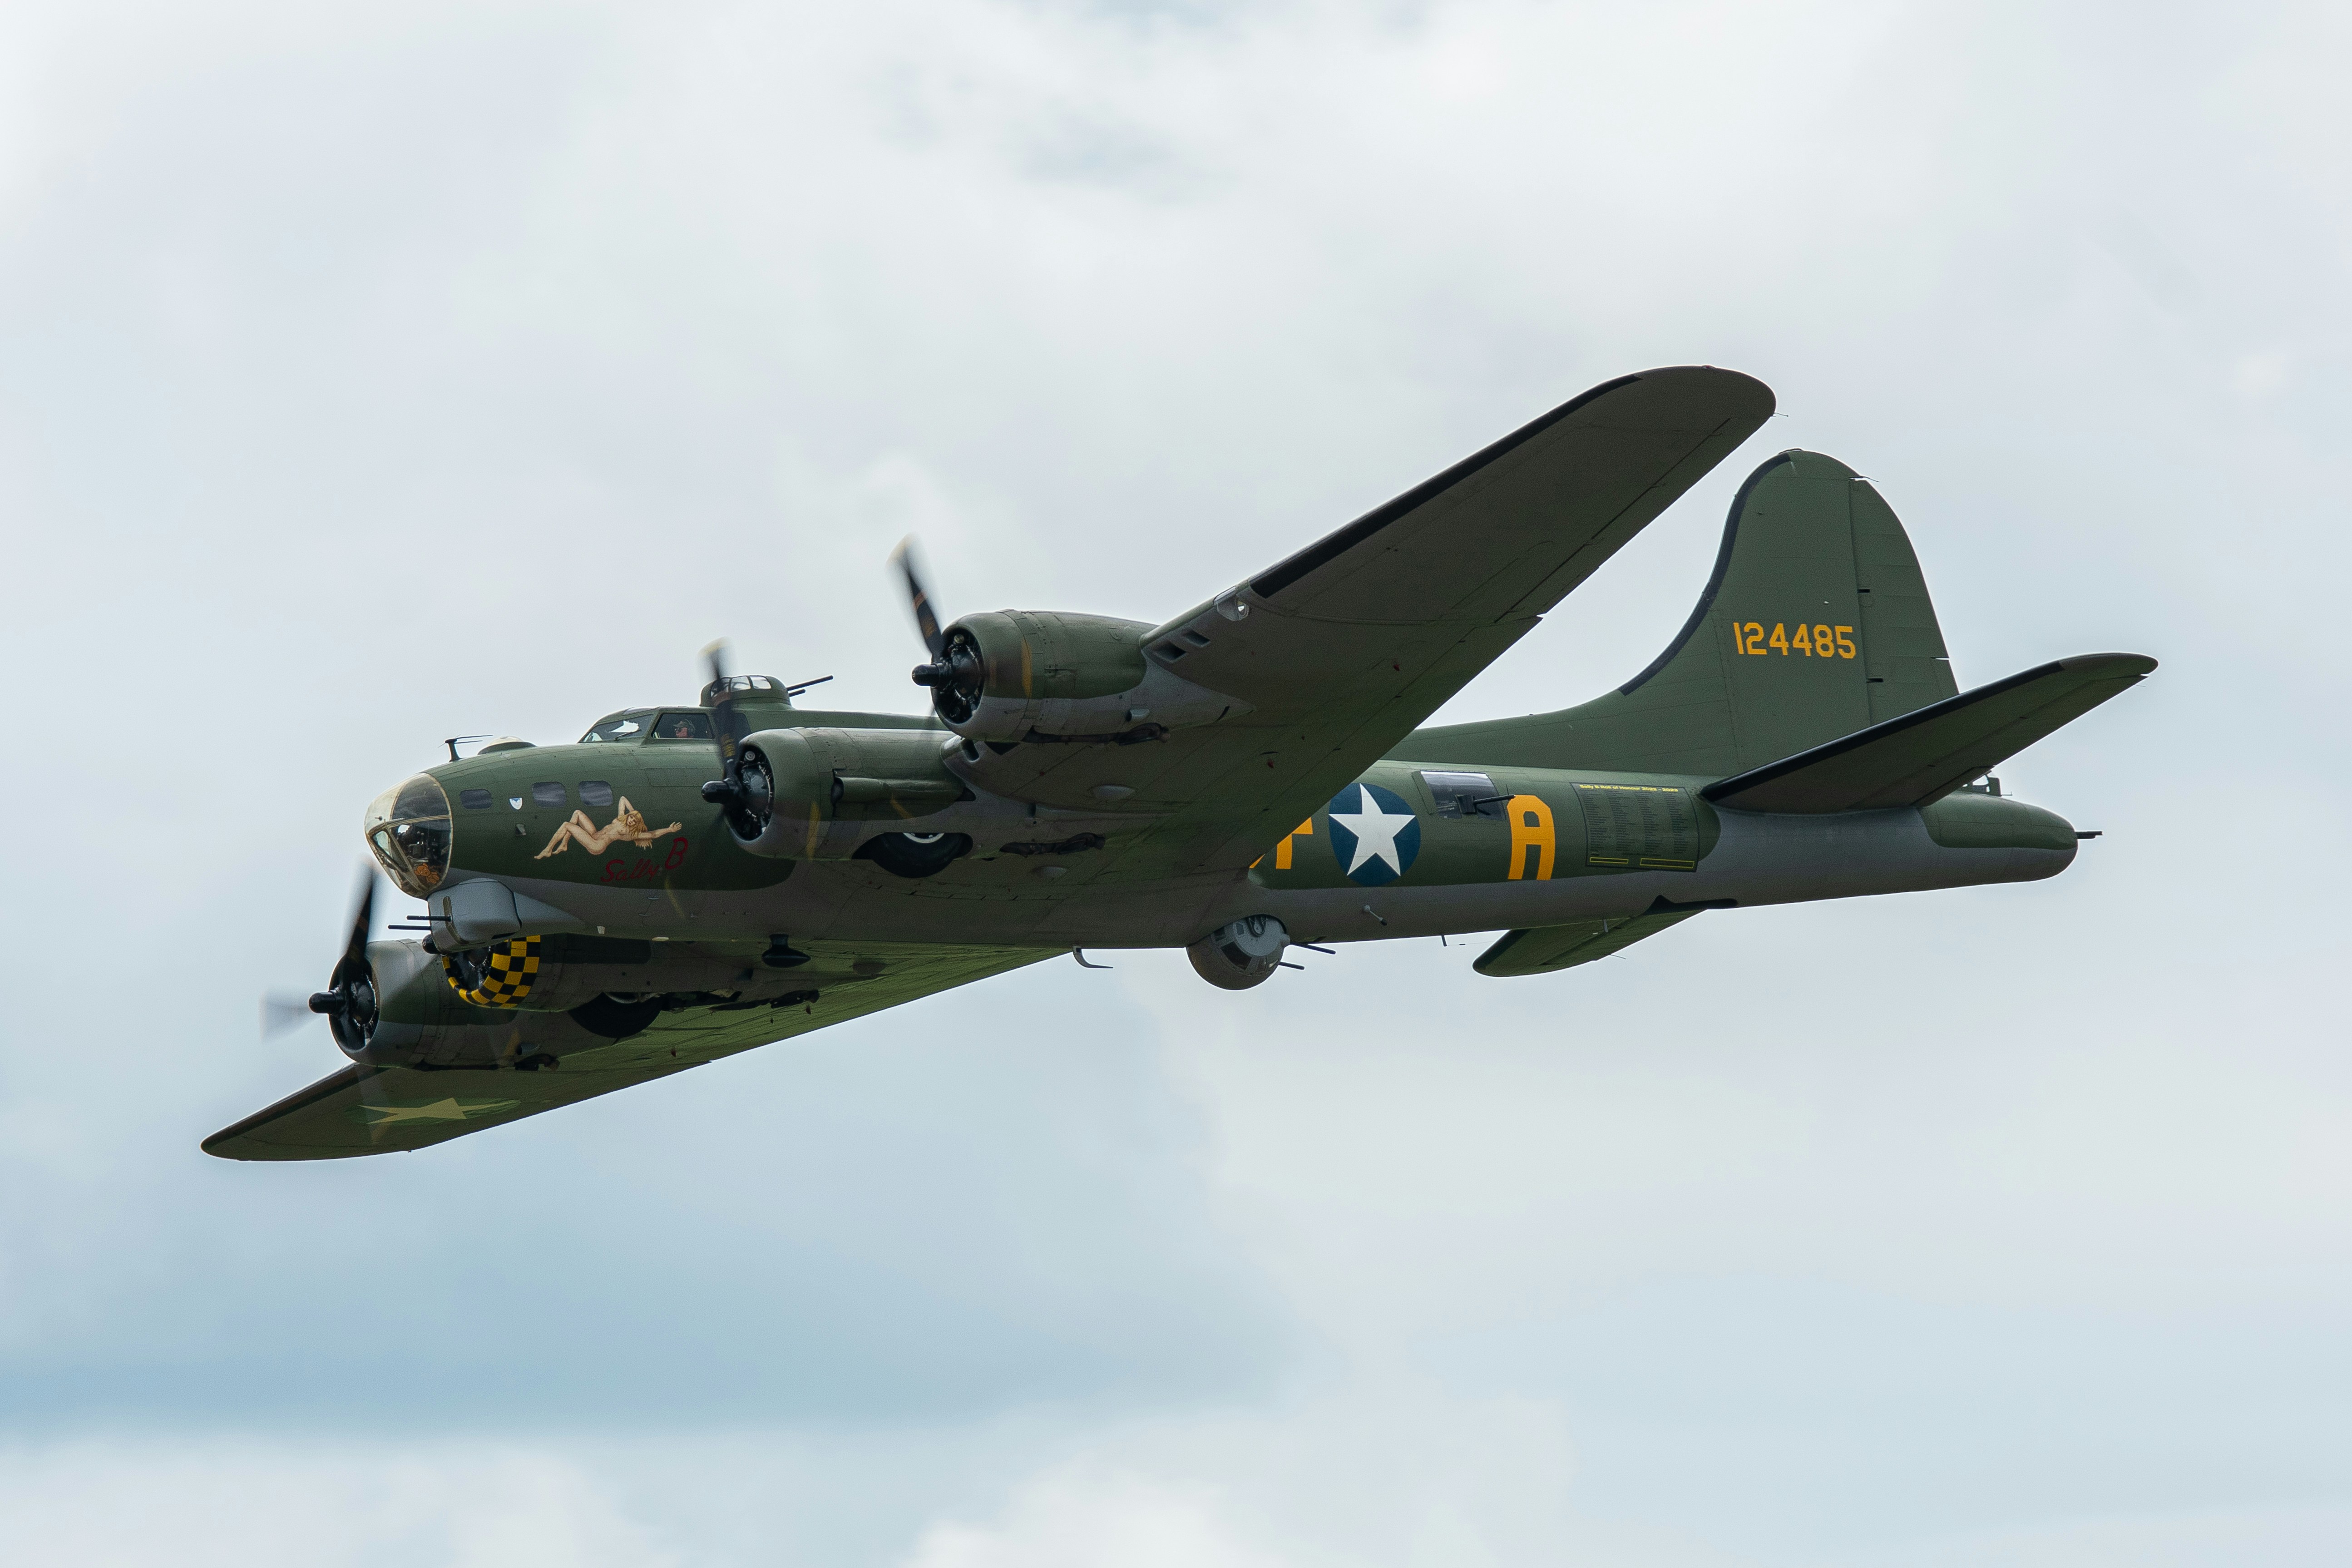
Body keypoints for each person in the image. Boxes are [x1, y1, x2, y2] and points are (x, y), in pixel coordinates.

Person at [534, 797, 682, 859]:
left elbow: (653, 834)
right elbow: (623, 799)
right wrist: (634, 811)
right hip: (594, 835)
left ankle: (548, 850)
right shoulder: (620, 818)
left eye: (634, 820)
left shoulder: (631, 834)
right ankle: (565, 844)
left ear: (636, 824)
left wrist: (670, 830)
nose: (632, 820)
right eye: (631, 818)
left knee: (567, 825)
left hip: (598, 845)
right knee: (577, 813)